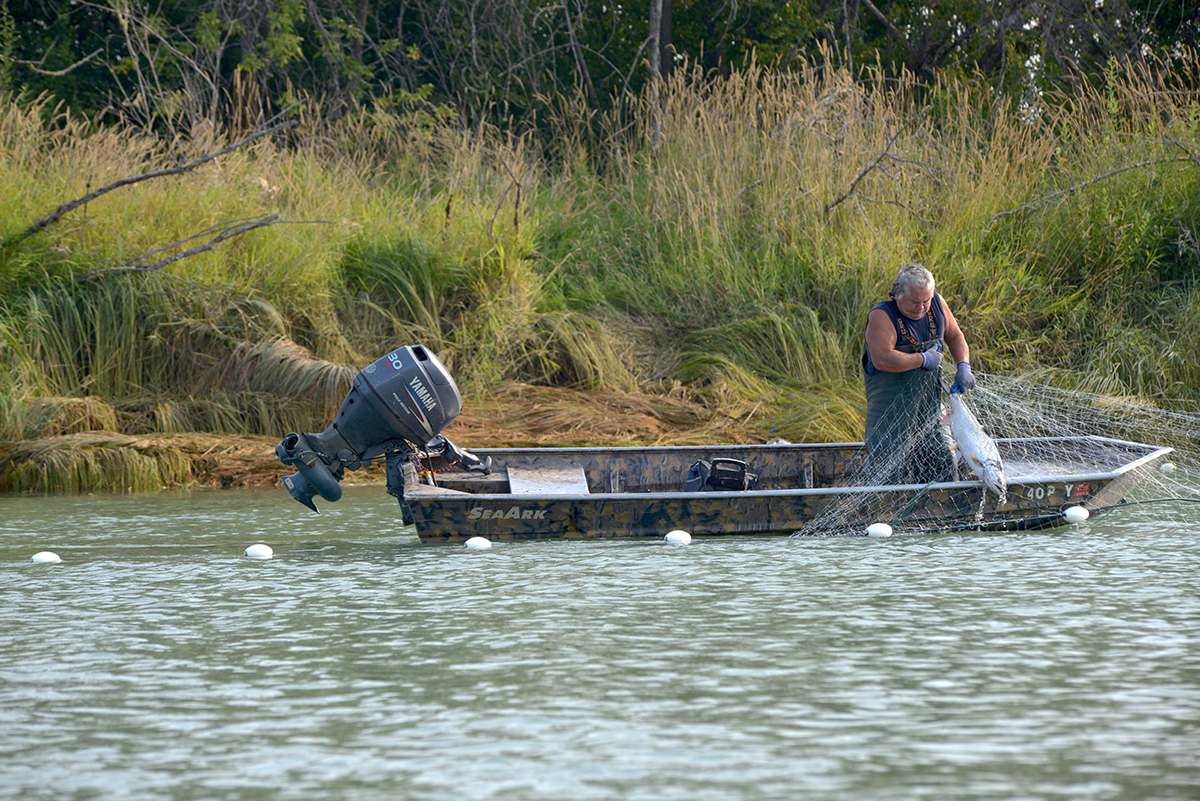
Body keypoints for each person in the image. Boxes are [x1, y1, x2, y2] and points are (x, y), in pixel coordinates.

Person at [862, 263, 976, 485]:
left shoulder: (937, 304)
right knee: (887, 469)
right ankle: (888, 507)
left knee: (942, 461)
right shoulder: (882, 316)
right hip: (891, 410)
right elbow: (882, 358)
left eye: (926, 300)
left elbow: (955, 336)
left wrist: (964, 365)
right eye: (915, 302)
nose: (921, 307)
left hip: (930, 407)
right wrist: (922, 359)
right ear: (897, 294)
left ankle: (936, 506)